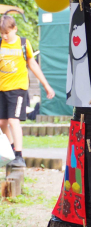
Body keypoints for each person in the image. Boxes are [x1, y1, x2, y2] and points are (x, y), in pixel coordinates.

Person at [0, 14, 55, 167]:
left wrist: (46, 85)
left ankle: (19, 156)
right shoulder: (0, 44)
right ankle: (12, 149)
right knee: (2, 122)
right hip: (2, 89)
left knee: (13, 120)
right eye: (2, 33)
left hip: (18, 89)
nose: (4, 36)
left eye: (7, 33)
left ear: (15, 29)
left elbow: (33, 65)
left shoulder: (23, 44)